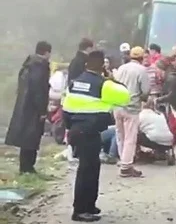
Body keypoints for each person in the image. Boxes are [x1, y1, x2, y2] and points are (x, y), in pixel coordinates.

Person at [63, 50, 130, 222]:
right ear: (102, 66)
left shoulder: (74, 82)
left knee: (91, 168)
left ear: (86, 65)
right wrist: (109, 77)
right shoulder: (104, 85)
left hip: (77, 130)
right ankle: (79, 210)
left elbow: (66, 108)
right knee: (87, 170)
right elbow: (125, 96)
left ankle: (89, 205)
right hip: (90, 132)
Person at [5, 41, 52, 174]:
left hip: (24, 106)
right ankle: (28, 167)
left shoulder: (28, 65)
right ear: (46, 52)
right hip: (34, 109)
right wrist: (42, 110)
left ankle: (25, 166)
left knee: (26, 138)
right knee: (32, 138)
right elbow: (39, 90)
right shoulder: (40, 66)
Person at [113, 46, 150, 177]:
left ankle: (122, 160)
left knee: (120, 135)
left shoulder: (122, 68)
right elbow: (145, 91)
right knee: (130, 137)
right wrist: (143, 98)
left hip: (117, 106)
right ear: (141, 58)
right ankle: (126, 165)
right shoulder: (142, 70)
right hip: (132, 108)